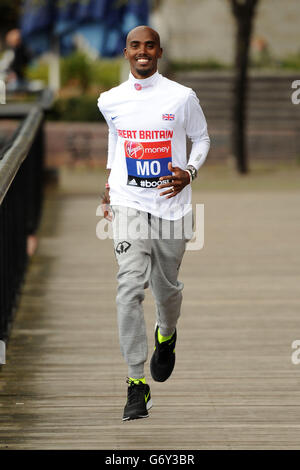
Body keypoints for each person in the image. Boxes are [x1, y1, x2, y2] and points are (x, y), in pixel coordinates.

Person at [98, 25, 210, 421]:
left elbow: (203, 139)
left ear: (159, 52)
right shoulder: (110, 100)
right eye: (134, 46)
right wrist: (110, 181)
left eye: (149, 46)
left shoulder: (181, 97)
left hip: (172, 206)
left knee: (166, 290)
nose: (142, 52)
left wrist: (190, 172)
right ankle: (135, 384)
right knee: (129, 285)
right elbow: (118, 138)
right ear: (125, 52)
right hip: (129, 203)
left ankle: (167, 331)